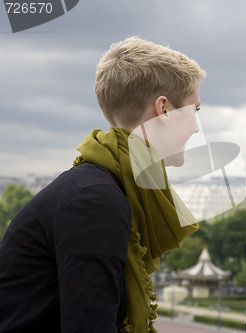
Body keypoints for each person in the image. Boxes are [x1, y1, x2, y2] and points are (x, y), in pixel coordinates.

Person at [0, 36, 205, 332]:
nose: (196, 127)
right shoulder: (96, 202)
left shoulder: (96, 187)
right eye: (194, 110)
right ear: (163, 109)